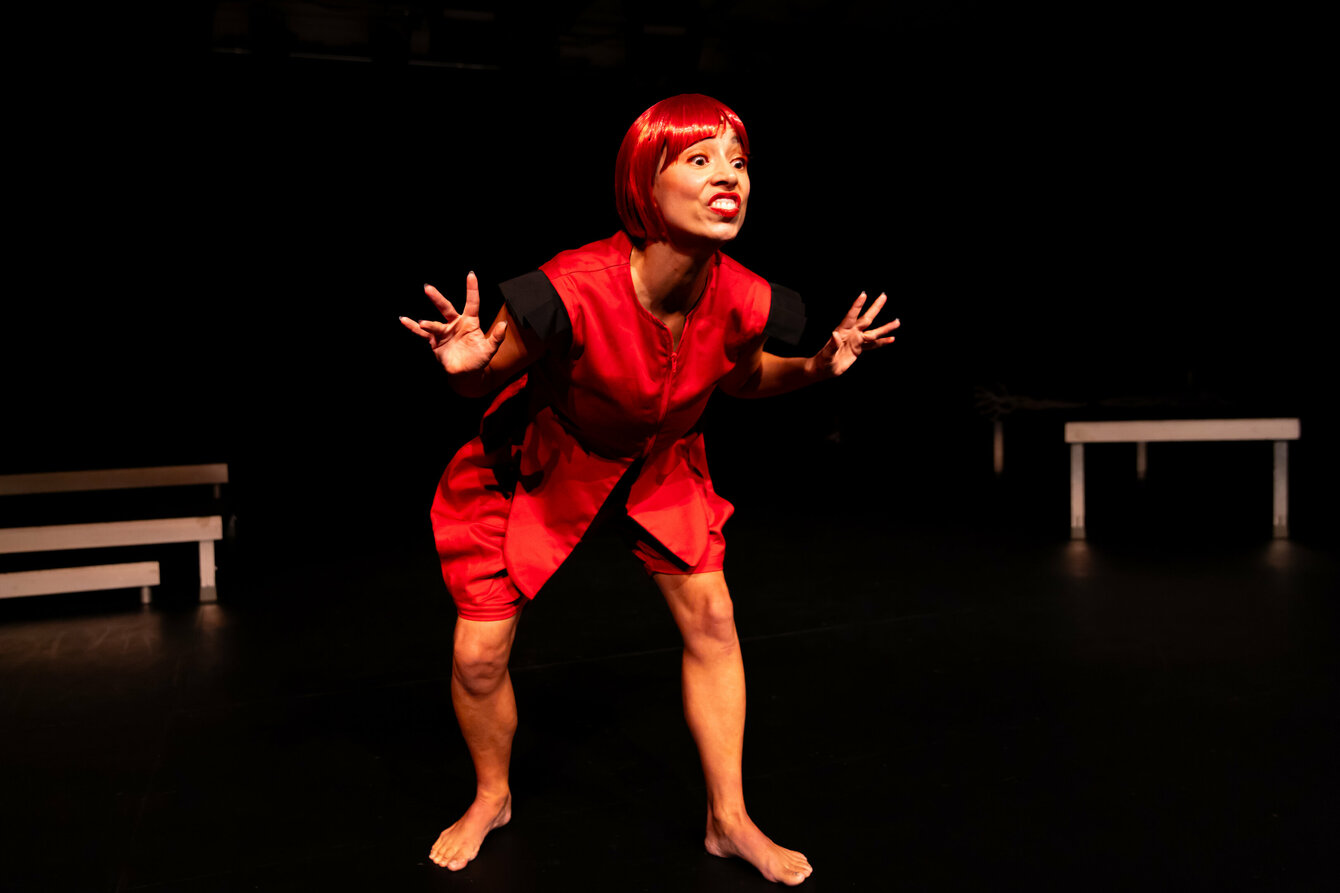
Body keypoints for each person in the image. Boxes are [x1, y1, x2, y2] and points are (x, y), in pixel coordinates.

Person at [400, 93, 897, 886]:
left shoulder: (741, 294)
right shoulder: (570, 287)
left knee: (714, 617)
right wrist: (464, 370)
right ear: (645, 185)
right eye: (698, 161)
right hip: (539, 457)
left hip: (664, 461)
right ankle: (492, 795)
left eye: (736, 161)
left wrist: (813, 368)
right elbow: (488, 375)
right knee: (479, 656)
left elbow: (741, 377)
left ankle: (728, 820)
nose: (726, 177)